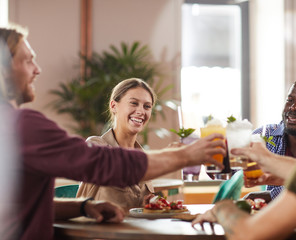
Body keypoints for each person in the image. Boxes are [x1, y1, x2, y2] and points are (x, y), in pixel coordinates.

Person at [0, 26, 226, 240]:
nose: (37, 69)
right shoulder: (21, 126)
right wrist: (188, 155)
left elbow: (21, 205)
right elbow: (105, 163)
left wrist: (83, 206)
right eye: (28, 60)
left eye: (147, 106)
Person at [192, 14, 296, 239]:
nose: (294, 108)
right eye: (290, 100)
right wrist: (274, 174)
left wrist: (221, 207)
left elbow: (249, 234)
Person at [77, 78, 156, 210]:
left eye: (147, 106)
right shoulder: (96, 146)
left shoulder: (143, 156)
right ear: (114, 106)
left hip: (133, 229)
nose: (141, 111)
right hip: (98, 229)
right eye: (133, 103)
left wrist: (148, 204)